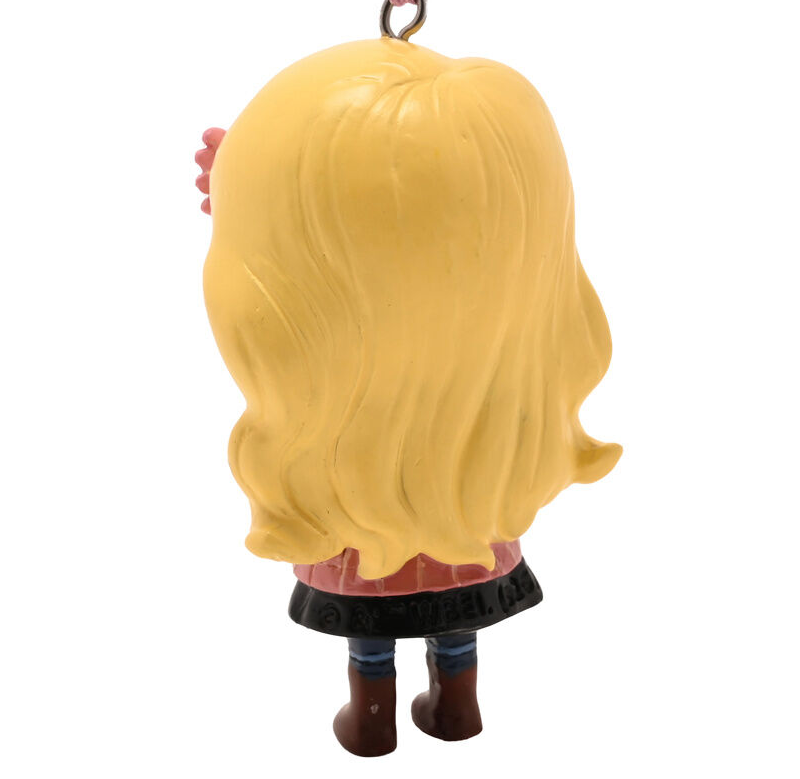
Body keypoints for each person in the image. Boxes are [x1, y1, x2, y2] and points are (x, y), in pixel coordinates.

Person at [198, 39, 621, 756]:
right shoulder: (495, 440)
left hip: (355, 549)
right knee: (456, 628)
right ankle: (457, 705)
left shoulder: (326, 446)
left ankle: (371, 718)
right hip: (473, 543)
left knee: (369, 639)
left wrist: (259, 196)